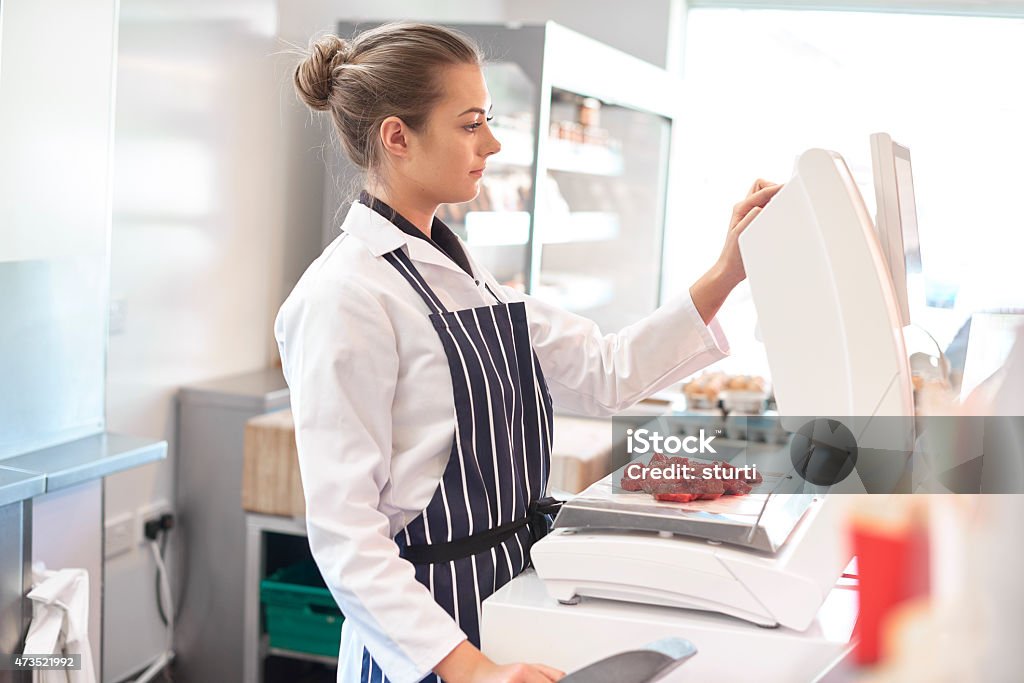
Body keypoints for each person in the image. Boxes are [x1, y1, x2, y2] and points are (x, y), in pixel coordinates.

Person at [275, 22, 781, 683]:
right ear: (398, 136)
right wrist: (471, 668)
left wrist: (725, 273)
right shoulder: (344, 296)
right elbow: (346, 535)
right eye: (470, 124)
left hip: (507, 600)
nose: (493, 142)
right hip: (429, 638)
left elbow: (605, 372)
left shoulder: (466, 275)